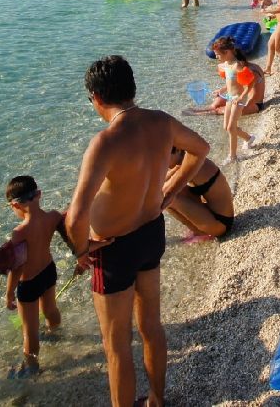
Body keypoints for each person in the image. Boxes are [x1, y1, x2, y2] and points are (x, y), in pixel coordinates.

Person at [65, 56, 211, 407]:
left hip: (113, 250)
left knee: (116, 346)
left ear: (96, 98)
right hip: (150, 233)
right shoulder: (160, 122)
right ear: (132, 89)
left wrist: (82, 250)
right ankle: (157, 400)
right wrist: (171, 189)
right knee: (151, 327)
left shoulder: (105, 141)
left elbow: (75, 216)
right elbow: (201, 149)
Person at [2, 176, 66, 378]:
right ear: (39, 194)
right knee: (50, 309)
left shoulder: (19, 232)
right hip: (49, 270)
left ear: (14, 205)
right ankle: (56, 333)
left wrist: (9, 293)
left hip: (29, 283)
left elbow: (17, 267)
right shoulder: (53, 217)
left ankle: (32, 367)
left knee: (29, 330)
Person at [165, 148, 235, 243]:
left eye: (165, 158)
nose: (163, 163)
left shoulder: (188, 167)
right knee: (175, 192)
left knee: (167, 198)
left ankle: (200, 232)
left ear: (177, 150)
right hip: (219, 215)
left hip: (221, 223)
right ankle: (198, 229)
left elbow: (165, 191)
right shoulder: (189, 158)